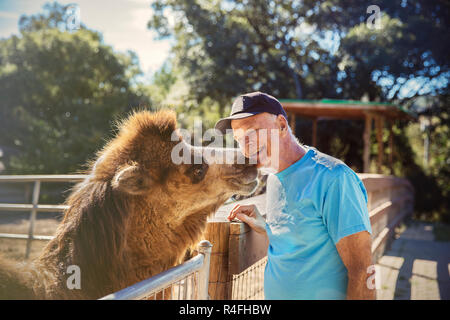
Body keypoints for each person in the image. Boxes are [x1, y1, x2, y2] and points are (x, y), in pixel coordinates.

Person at [214, 91, 375, 300]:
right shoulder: (273, 179)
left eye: (252, 133)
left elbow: (363, 270)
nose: (246, 147)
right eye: (239, 139)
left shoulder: (334, 178)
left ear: (281, 125)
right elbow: (305, 238)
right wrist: (267, 227)